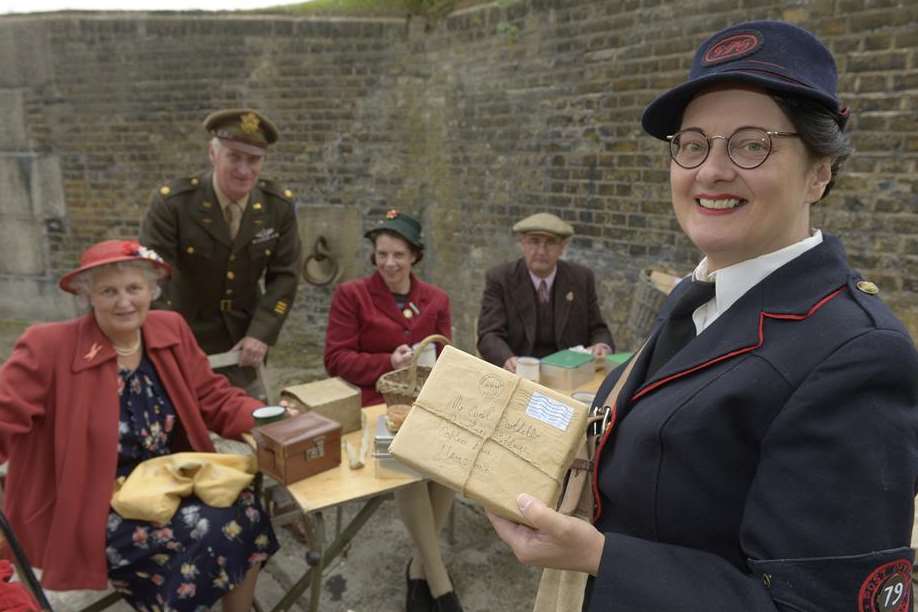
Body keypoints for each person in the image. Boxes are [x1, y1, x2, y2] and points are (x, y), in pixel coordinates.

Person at [488, 20, 918, 611]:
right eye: (693, 144)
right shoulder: (701, 295)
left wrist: (597, 555)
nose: (710, 171)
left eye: (751, 144)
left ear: (819, 172)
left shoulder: (858, 355)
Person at [0, 240, 279, 612]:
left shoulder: (171, 330)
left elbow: (213, 396)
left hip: (169, 482)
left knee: (246, 509)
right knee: (206, 531)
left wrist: (265, 419)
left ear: (152, 290)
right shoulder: (49, 346)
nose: (124, 302)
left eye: (134, 288)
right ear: (89, 297)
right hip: (94, 506)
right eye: (108, 291)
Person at [323, 210, 461, 612]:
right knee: (408, 465)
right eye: (381, 254)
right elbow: (335, 359)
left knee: (450, 462)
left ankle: (418, 570)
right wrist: (387, 361)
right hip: (375, 407)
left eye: (398, 254)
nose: (389, 263)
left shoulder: (436, 299)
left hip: (426, 402)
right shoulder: (353, 295)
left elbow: (446, 353)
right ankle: (441, 588)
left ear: (414, 255)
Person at [140, 108, 301, 398]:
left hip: (245, 343)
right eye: (234, 157)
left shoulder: (278, 207)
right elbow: (152, 277)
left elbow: (285, 275)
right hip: (185, 334)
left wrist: (261, 333)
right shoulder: (174, 205)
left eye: (253, 160)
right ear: (213, 154)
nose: (243, 170)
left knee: (250, 421)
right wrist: (171, 339)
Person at [477, 212, 614, 372]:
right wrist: (507, 359)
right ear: (523, 244)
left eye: (550, 243)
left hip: (569, 374)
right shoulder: (500, 278)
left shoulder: (581, 279)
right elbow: (489, 334)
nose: (541, 251)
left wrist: (601, 346)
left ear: (562, 247)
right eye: (534, 242)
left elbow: (598, 328)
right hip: (520, 373)